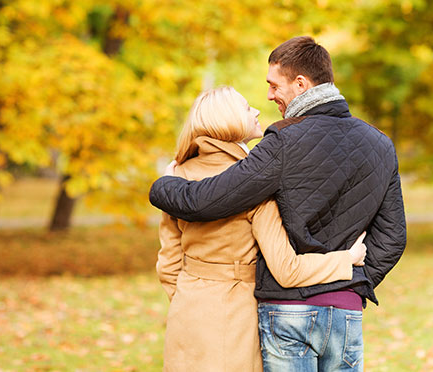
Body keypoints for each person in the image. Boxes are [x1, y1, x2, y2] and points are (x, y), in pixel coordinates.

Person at [150, 36, 406, 371]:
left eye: (274, 85)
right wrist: (352, 284)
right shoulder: (381, 144)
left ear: (301, 83)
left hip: (286, 309)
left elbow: (207, 201)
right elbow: (393, 237)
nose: (269, 96)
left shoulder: (282, 142)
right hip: (345, 309)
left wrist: (163, 186)